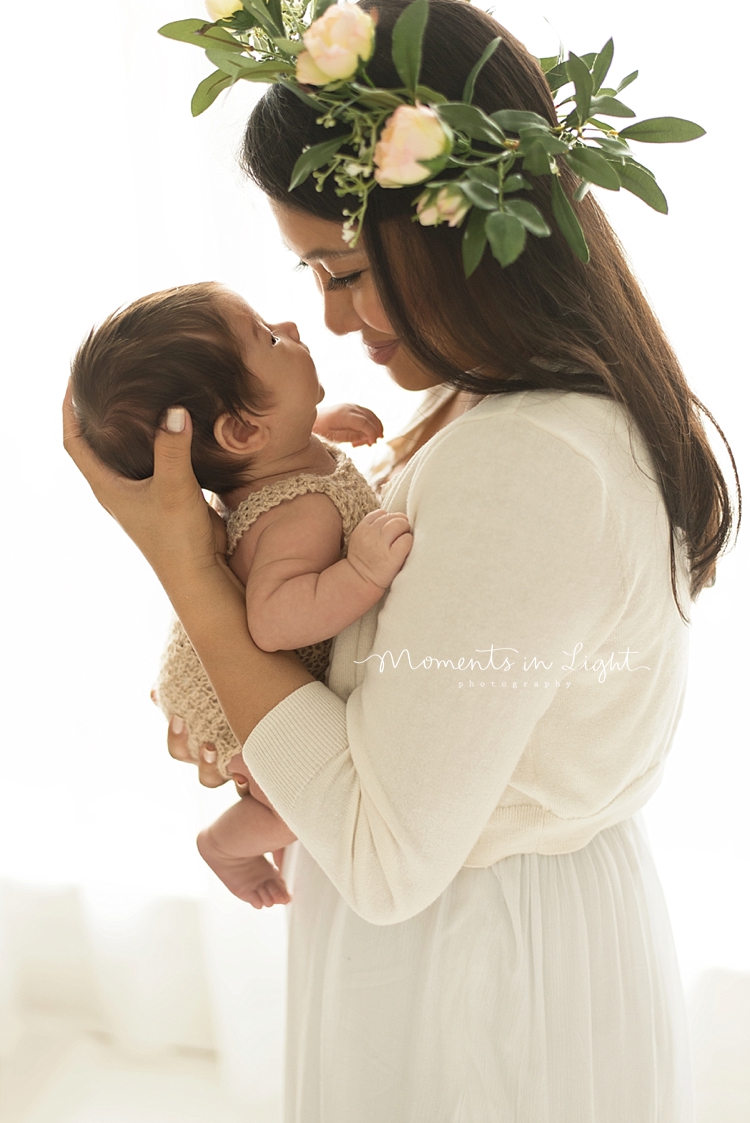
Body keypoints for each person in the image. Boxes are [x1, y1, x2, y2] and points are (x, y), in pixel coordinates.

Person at [64, 0, 740, 1119]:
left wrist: (188, 567)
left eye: (344, 270)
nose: (330, 326)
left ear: (445, 224)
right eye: (311, 283)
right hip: (482, 938)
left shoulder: (525, 460)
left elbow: (383, 854)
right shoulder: (508, 411)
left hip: (479, 975)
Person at [70, 280, 412, 909]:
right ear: (243, 432)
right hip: (234, 694)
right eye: (270, 337)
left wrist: (317, 424)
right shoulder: (295, 516)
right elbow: (275, 623)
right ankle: (224, 845)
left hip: (225, 655)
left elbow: (287, 455)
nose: (292, 326)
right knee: (290, 804)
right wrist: (359, 575)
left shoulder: (279, 461)